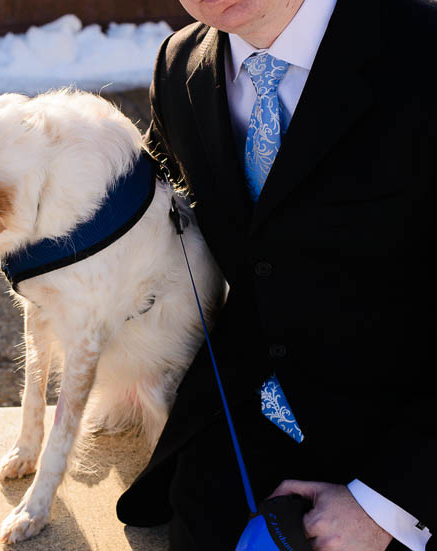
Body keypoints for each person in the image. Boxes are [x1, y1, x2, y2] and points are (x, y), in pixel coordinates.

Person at [116, 0, 437, 550]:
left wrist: (387, 506)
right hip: (238, 433)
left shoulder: (423, 46)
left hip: (407, 444)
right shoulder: (179, 64)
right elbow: (162, 220)